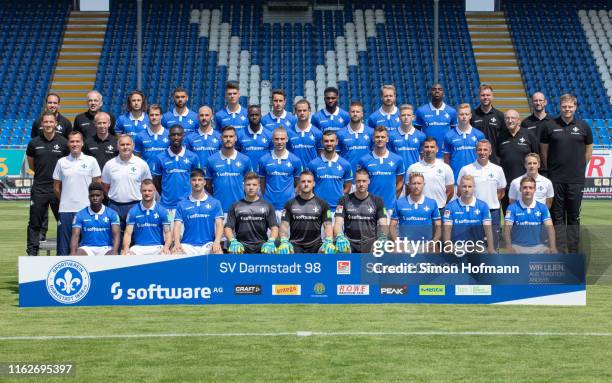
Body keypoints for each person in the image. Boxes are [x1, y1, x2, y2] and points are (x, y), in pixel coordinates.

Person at [540, 93, 593, 253]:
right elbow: (544, 152)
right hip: (556, 179)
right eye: (564, 106)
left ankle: (573, 249)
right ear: (560, 107)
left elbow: (589, 151)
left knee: (574, 216)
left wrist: (578, 167)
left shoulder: (584, 126)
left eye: (570, 106)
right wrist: (554, 168)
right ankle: (560, 249)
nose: (567, 109)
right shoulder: (550, 126)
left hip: (575, 179)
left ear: (575, 107)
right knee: (557, 216)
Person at [25, 111, 69, 255]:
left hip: (58, 188)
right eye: (46, 122)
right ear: (42, 124)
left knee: (63, 221)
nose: (49, 124)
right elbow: (32, 165)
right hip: (39, 188)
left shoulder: (63, 142)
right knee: (34, 222)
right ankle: (32, 252)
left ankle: (65, 252)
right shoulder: (34, 143)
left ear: (56, 124)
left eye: (51, 122)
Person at [53, 130, 102, 255]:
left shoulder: (91, 161)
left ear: (82, 143)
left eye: (77, 141)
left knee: (87, 247)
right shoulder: (61, 162)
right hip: (65, 210)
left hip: (86, 210)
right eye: (72, 141)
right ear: (68, 144)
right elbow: (56, 188)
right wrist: (65, 199)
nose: (75, 144)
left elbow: (97, 185)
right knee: (63, 248)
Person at [457, 139, 507, 248]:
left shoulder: (498, 170)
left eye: (485, 150)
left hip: (492, 212)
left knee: (492, 245)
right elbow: (459, 193)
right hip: (472, 212)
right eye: (479, 149)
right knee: (472, 245)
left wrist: (489, 202)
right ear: (475, 151)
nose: (482, 152)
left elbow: (501, 192)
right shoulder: (466, 169)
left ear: (490, 152)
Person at [102, 134, 151, 233]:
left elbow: (147, 186)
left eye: (128, 144)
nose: (125, 147)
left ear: (133, 146)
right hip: (114, 206)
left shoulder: (142, 164)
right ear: (117, 147)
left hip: (135, 205)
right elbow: (105, 187)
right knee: (115, 238)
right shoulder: (110, 164)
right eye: (122, 144)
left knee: (135, 238)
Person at [278, 170, 335, 254]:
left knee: (328, 251)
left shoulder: (323, 204)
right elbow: (284, 226)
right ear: (299, 184)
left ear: (314, 183)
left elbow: (328, 226)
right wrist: (283, 240)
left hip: (316, 245)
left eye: (309, 181)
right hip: (295, 244)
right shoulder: (289, 204)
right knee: (284, 251)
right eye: (303, 181)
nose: (306, 184)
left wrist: (329, 240)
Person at [334, 169, 388, 253]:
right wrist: (339, 236)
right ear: (354, 182)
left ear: (369, 181)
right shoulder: (344, 200)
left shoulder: (377, 200)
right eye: (358, 181)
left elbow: (383, 223)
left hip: (370, 243)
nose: (361, 184)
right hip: (350, 242)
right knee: (340, 251)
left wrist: (383, 237)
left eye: (364, 181)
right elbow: (338, 223)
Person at [224, 172, 278, 254]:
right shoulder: (235, 206)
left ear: (259, 186)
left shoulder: (268, 206)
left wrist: (270, 241)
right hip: (241, 245)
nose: (251, 187)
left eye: (254, 185)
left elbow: (274, 228)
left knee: (271, 251)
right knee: (234, 250)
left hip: (262, 244)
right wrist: (233, 241)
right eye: (248, 185)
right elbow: (228, 228)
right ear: (243, 186)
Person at [172, 169, 224, 255]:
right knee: (175, 253)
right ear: (190, 182)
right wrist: (177, 242)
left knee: (218, 253)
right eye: (194, 180)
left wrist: (217, 241)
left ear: (204, 182)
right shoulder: (181, 204)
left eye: (200, 180)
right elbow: (177, 225)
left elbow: (219, 224)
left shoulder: (215, 203)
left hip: (208, 244)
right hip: (187, 245)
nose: (197, 183)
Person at [497, 109, 539, 212]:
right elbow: (498, 158)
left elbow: (535, 156)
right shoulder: (500, 136)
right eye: (507, 118)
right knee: (509, 215)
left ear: (518, 121)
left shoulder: (529, 134)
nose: (510, 120)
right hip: (507, 184)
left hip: (526, 184)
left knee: (527, 214)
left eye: (513, 118)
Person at [357, 126, 405, 216]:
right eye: (377, 137)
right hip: (369, 206)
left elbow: (400, 182)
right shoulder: (364, 160)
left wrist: (393, 199)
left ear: (387, 139)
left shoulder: (397, 159)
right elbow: (360, 183)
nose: (380, 139)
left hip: (390, 207)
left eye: (382, 137)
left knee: (388, 230)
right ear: (373, 139)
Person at [152, 125, 200, 213]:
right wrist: (167, 194)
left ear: (183, 136)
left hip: (188, 204)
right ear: (169, 136)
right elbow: (156, 181)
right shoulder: (160, 157)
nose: (176, 137)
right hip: (167, 206)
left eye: (179, 134)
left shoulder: (193, 157)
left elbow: (197, 180)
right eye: (173, 135)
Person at [204, 126, 252, 214]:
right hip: (219, 210)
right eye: (225, 136)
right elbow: (207, 186)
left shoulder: (245, 160)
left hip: (240, 209)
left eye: (231, 136)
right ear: (221, 138)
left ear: (236, 138)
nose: (228, 139)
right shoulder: (211, 160)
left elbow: (250, 184)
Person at [503, 176, 557, 254]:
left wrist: (553, 247)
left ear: (535, 190)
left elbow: (550, 229)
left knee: (553, 256)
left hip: (539, 247)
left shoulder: (542, 207)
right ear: (520, 189)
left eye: (530, 188)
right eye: (525, 187)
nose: (527, 190)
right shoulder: (512, 208)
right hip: (517, 247)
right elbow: (507, 229)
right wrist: (508, 246)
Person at [442, 175, 495, 253]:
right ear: (459, 187)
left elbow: (488, 228)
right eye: (464, 186)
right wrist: (448, 246)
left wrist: (490, 247)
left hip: (477, 246)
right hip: (457, 247)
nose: (467, 189)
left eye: (469, 186)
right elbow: (447, 228)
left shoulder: (483, 206)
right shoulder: (450, 206)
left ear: (474, 187)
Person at [258, 127, 303, 219]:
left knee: (286, 233)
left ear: (287, 139)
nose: (279, 142)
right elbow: (262, 182)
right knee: (271, 233)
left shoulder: (295, 160)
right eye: (277, 139)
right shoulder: (264, 159)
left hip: (288, 206)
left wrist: (292, 194)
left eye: (282, 139)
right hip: (269, 205)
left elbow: (298, 181)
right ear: (272, 139)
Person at [390, 173, 441, 251]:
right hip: (405, 244)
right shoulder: (399, 203)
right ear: (409, 185)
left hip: (426, 243)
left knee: (436, 249)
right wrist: (397, 242)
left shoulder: (432, 203)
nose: (416, 186)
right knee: (394, 250)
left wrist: (434, 241)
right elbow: (392, 226)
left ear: (424, 184)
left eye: (419, 183)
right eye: (414, 183)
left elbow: (438, 226)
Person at [122, 179, 172, 255]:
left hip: (157, 247)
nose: (147, 193)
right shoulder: (132, 211)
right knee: (126, 255)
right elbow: (128, 233)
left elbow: (168, 232)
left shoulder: (164, 211)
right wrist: (126, 248)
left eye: (150, 190)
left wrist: (166, 247)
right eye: (144, 190)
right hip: (138, 248)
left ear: (154, 190)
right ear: (140, 191)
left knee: (166, 254)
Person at [307, 130, 353, 212]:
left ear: (337, 142)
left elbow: (348, 186)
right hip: (317, 208)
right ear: (321, 142)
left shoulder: (345, 164)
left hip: (337, 209)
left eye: (332, 141)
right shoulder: (313, 164)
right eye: (326, 141)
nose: (329, 143)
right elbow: (309, 186)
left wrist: (339, 197)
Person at [406, 137, 454, 215]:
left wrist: (442, 203)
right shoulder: (413, 168)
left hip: (439, 209)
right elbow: (408, 190)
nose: (429, 149)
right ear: (422, 149)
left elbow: (450, 191)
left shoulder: (445, 167)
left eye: (432, 147)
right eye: (426, 147)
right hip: (419, 208)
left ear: (437, 149)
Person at [70, 182, 120, 256]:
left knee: (112, 255)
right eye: (92, 196)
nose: (95, 198)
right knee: (76, 254)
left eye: (97, 195)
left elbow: (116, 235)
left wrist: (115, 251)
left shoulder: (112, 214)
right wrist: (73, 253)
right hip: (86, 248)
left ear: (102, 196)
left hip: (106, 248)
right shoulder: (80, 214)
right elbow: (75, 236)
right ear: (88, 197)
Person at [443, 103, 485, 182]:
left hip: (476, 178)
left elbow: (483, 157)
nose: (464, 117)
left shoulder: (479, 135)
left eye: (466, 114)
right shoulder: (449, 135)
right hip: (456, 178)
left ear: (470, 116)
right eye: (461, 114)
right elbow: (446, 158)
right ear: (457, 116)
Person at [414, 83, 458, 157]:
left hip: (446, 154)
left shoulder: (451, 111)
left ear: (443, 93)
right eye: (434, 89)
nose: (437, 91)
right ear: (430, 93)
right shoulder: (421, 111)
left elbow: (454, 134)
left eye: (439, 89)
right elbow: (416, 133)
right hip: (427, 153)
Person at [470, 84, 505, 163]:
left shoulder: (500, 116)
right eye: (483, 95)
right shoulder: (472, 115)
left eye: (488, 95)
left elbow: (503, 139)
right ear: (479, 97)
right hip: (476, 158)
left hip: (495, 159)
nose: (485, 97)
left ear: (492, 97)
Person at [337, 101, 374, 175]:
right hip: (347, 177)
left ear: (362, 114)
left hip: (366, 178)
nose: (355, 114)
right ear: (349, 114)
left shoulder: (371, 132)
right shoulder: (340, 133)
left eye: (358, 112)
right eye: (352, 111)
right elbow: (336, 157)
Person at [389, 104, 426, 170]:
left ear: (413, 117)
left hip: (415, 174)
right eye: (403, 115)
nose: (406, 117)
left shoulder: (421, 136)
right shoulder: (391, 135)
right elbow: (389, 156)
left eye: (408, 115)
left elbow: (423, 158)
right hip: (398, 174)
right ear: (399, 117)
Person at [134, 104, 170, 171]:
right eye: (151, 115)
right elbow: (136, 157)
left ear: (161, 116)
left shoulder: (169, 135)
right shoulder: (140, 136)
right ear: (148, 116)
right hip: (146, 175)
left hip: (164, 174)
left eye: (157, 115)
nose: (154, 117)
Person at [288, 99, 323, 166]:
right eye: (299, 111)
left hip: (311, 173)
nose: (302, 113)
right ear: (295, 112)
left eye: (304, 110)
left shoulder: (318, 133)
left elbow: (321, 156)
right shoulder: (289, 132)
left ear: (309, 111)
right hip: (294, 172)